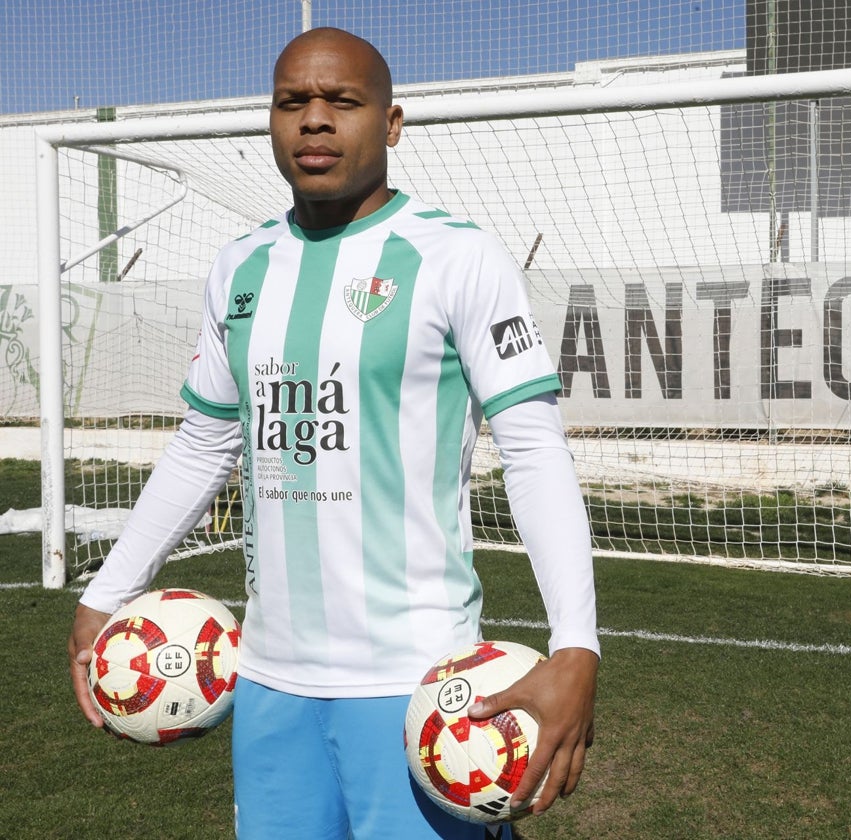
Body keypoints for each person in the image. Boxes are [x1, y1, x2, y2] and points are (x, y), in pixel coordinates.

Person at [67, 27, 600, 840]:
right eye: (293, 102)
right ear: (272, 121)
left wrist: (577, 646)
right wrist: (107, 590)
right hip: (267, 682)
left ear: (390, 122)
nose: (315, 120)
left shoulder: (456, 258)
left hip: (419, 686)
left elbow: (532, 452)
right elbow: (204, 443)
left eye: (342, 102)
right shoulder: (239, 267)